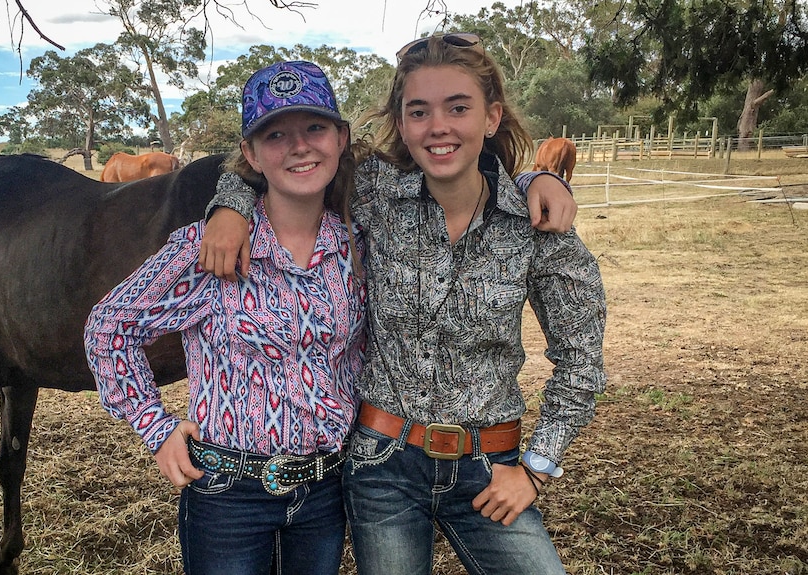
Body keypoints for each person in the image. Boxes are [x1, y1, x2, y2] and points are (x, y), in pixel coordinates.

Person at [199, 34, 605, 575]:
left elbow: (581, 359)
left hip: (490, 465)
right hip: (382, 465)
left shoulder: (538, 225)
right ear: (402, 124)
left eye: (458, 108)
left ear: (491, 117)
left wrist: (536, 466)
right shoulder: (375, 192)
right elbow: (284, 160)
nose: (438, 126)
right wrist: (229, 206)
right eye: (419, 112)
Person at [84, 60, 367, 575]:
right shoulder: (207, 249)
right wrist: (155, 427)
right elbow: (109, 328)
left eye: (314, 127)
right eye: (275, 134)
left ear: (340, 139)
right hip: (228, 496)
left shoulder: (356, 245)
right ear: (250, 154)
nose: (299, 146)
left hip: (326, 492)